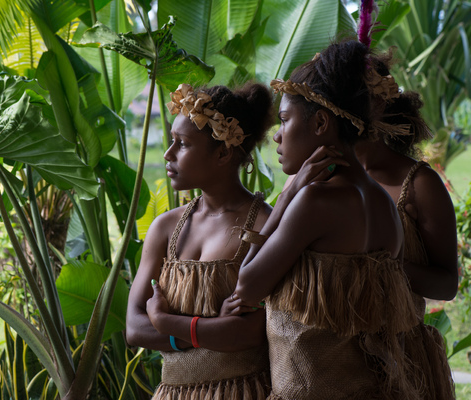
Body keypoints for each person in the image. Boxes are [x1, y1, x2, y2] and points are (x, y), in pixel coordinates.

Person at [151, 40, 423, 399]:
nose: (277, 136)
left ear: (322, 123)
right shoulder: (382, 203)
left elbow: (246, 286)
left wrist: (286, 200)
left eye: (285, 120)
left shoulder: (315, 201)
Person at [126, 82, 274, 398]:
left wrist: (165, 321)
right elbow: (134, 327)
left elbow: (250, 333)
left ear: (222, 152)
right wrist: (202, 332)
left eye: (182, 144)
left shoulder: (264, 226)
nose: (168, 154)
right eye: (171, 142)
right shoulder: (165, 228)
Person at [354, 52, 458, 399]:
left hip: (402, 360)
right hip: (336, 358)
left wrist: (382, 263)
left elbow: (446, 284)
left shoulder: (419, 184)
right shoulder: (327, 177)